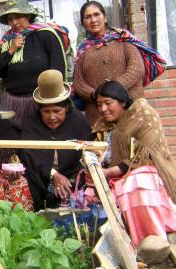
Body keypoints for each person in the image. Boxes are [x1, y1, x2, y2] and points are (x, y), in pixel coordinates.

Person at [92, 80, 176, 247]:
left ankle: (152, 241)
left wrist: (112, 171)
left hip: (151, 177)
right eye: (99, 105)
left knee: (138, 180)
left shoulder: (143, 115)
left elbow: (147, 154)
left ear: (122, 101)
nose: (102, 109)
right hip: (115, 178)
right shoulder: (102, 126)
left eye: (108, 103)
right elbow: (98, 153)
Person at [73, 1, 165, 126]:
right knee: (105, 145)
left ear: (105, 18)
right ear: (83, 23)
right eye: (88, 17)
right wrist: (95, 94)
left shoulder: (123, 39)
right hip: (98, 117)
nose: (93, 20)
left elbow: (136, 69)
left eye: (96, 14)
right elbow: (79, 83)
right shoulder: (83, 50)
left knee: (135, 144)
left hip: (131, 109)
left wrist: (112, 89)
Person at [21, 70, 93, 211]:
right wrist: (53, 174)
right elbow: (29, 156)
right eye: (46, 112)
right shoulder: (32, 124)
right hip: (41, 178)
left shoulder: (79, 122)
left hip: (73, 176)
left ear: (66, 108)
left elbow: (87, 155)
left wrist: (66, 180)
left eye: (57, 111)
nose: (52, 117)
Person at [0, 0, 67, 128]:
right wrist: (11, 50)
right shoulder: (6, 42)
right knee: (14, 141)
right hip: (11, 102)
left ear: (28, 16)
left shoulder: (46, 35)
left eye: (18, 17)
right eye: (10, 19)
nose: (14, 23)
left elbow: (58, 70)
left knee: (39, 141)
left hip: (40, 102)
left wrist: (52, 103)